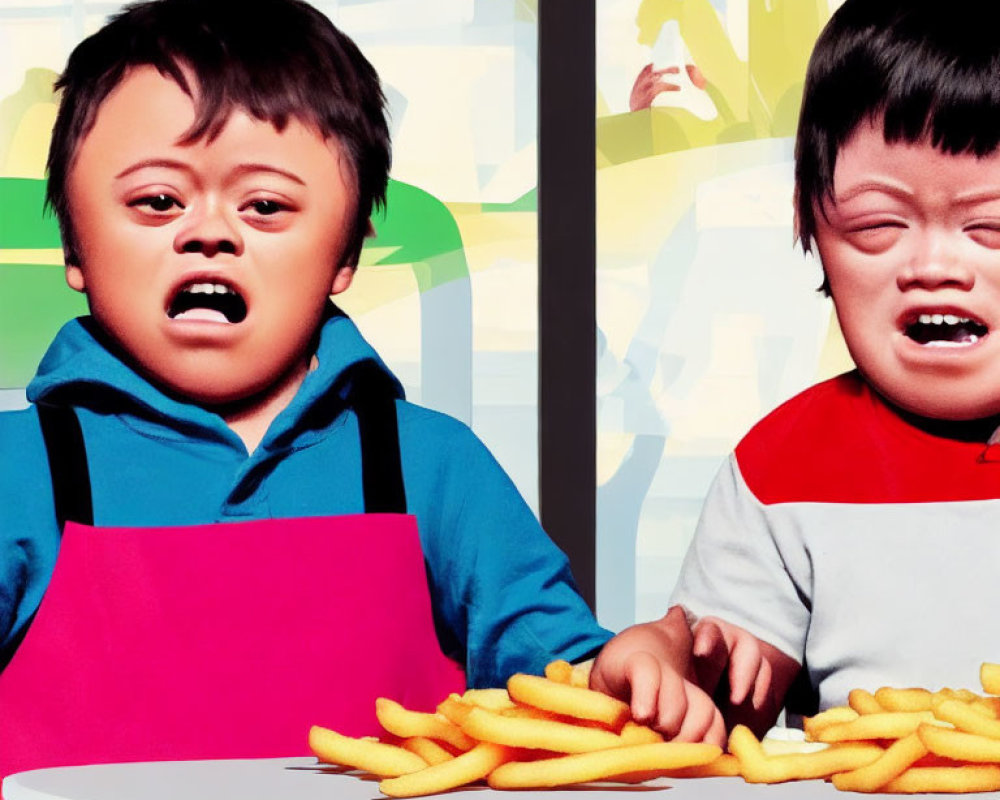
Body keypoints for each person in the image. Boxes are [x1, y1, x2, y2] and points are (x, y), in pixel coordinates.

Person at [0, 0, 610, 778]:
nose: (210, 232)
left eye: (265, 205)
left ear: (347, 255)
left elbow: (561, 683)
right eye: (158, 200)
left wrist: (632, 667)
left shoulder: (431, 466)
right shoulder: (18, 471)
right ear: (74, 246)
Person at [592, 0, 1000, 746]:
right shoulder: (777, 469)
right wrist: (665, 671)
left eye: (992, 227)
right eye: (879, 224)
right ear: (810, 225)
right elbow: (727, 698)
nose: (935, 268)